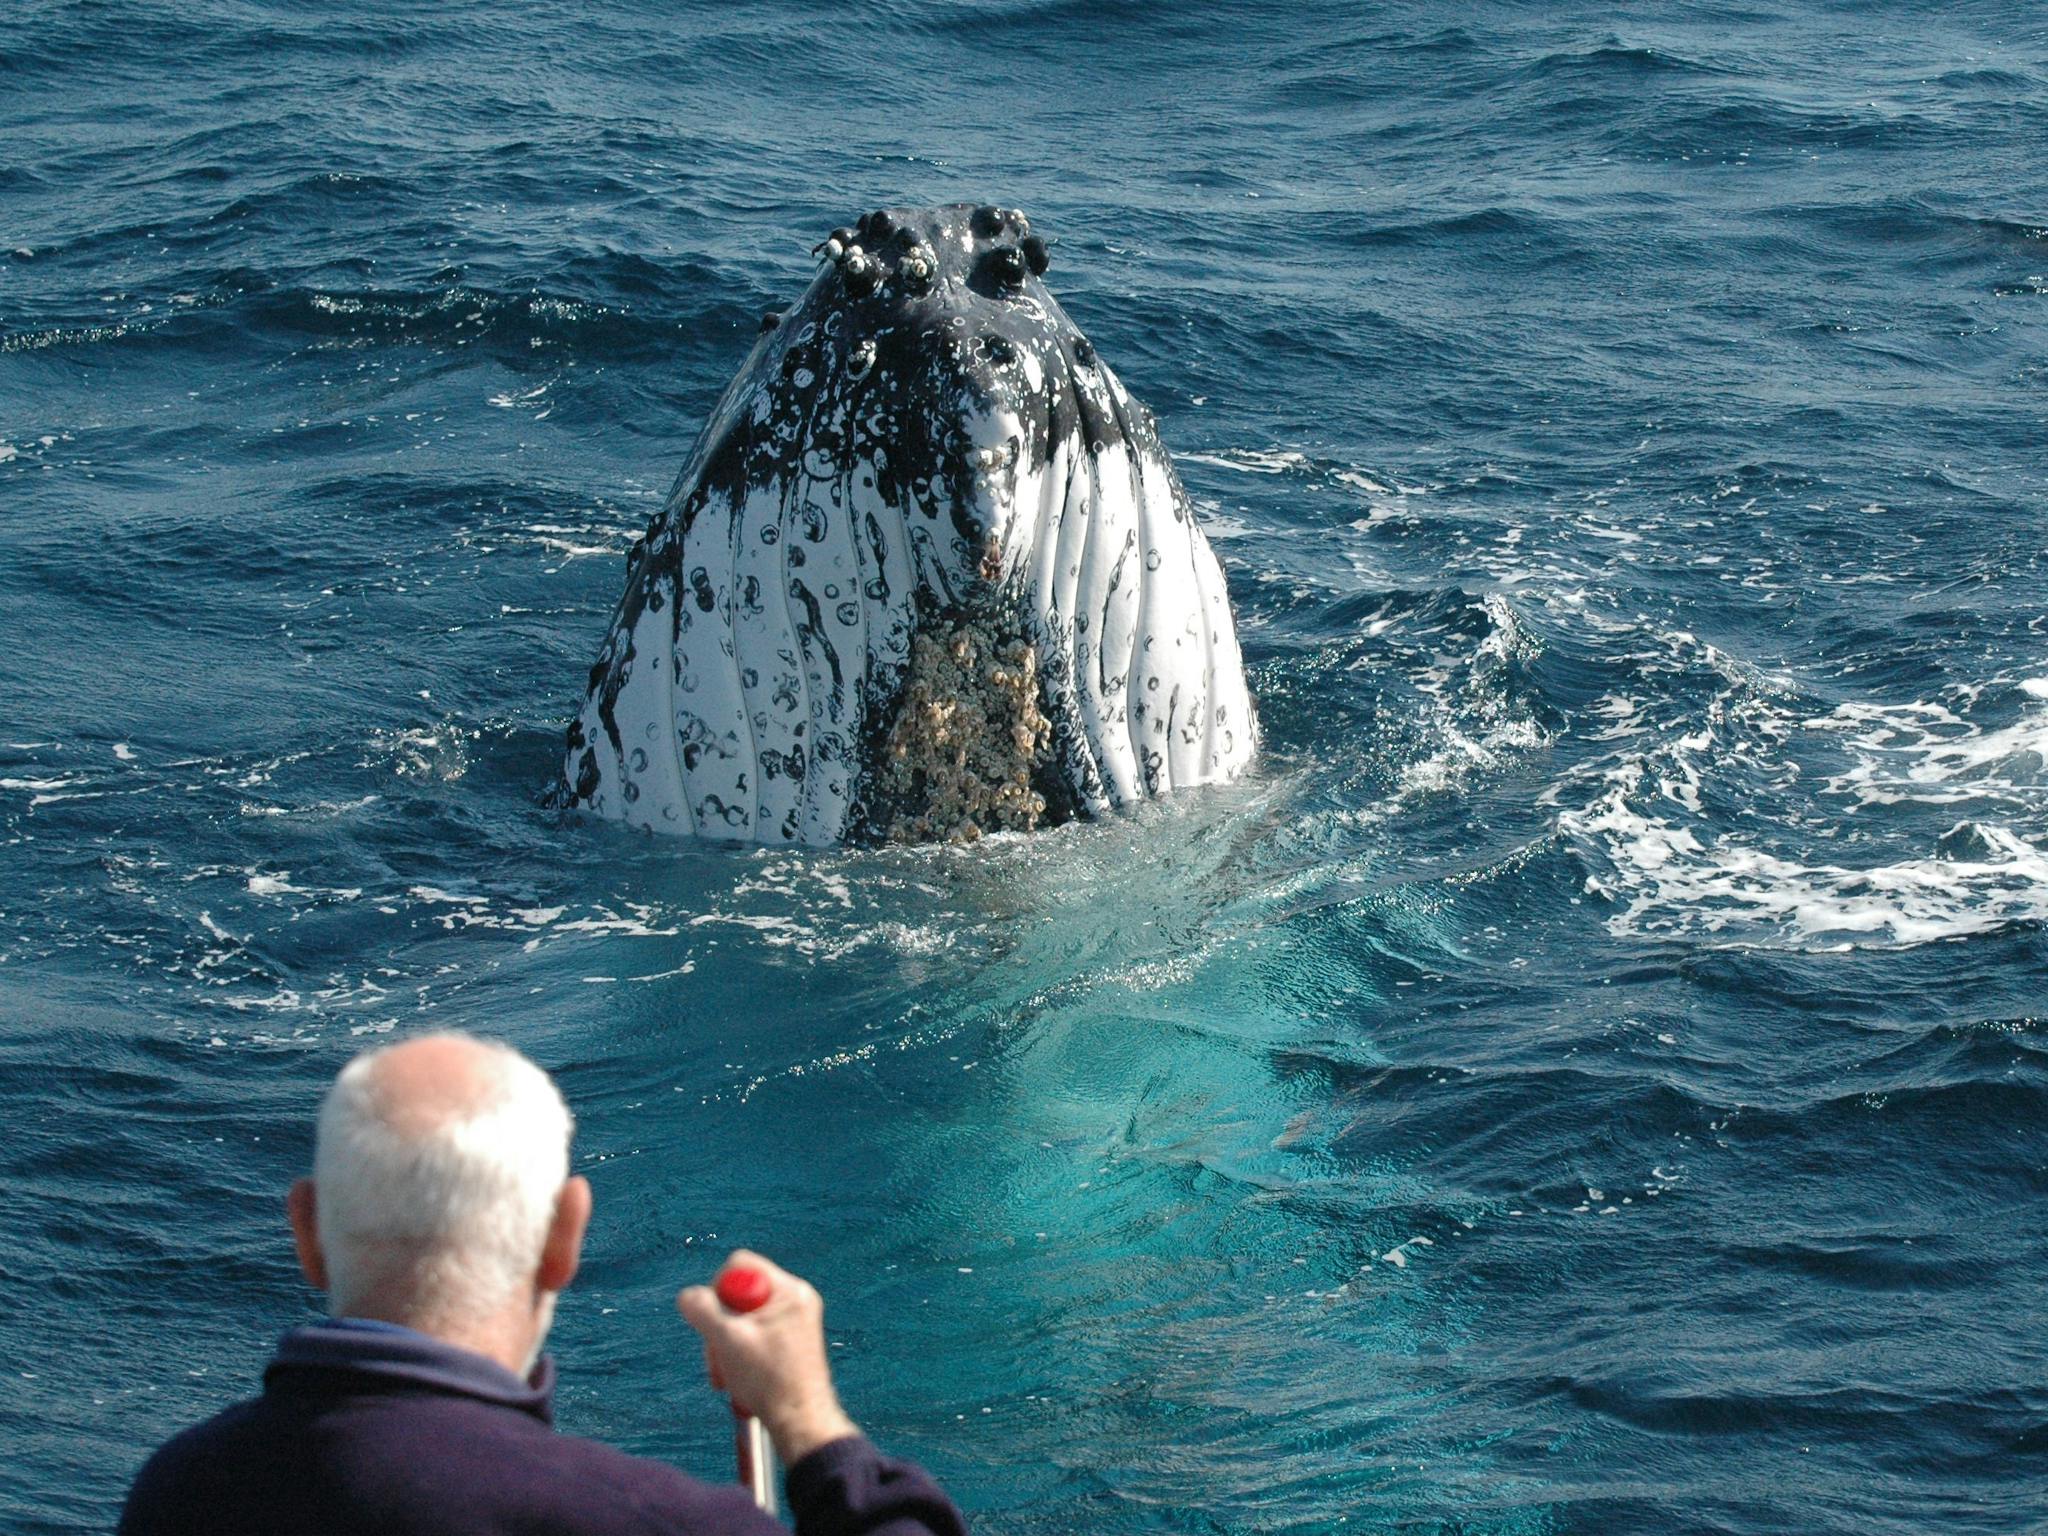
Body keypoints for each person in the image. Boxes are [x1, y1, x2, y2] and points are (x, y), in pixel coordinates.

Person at [119, 1032, 968, 1536]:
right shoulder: (644, 1521)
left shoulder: (176, 1495)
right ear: (566, 1237)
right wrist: (812, 1426)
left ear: (305, 1232)